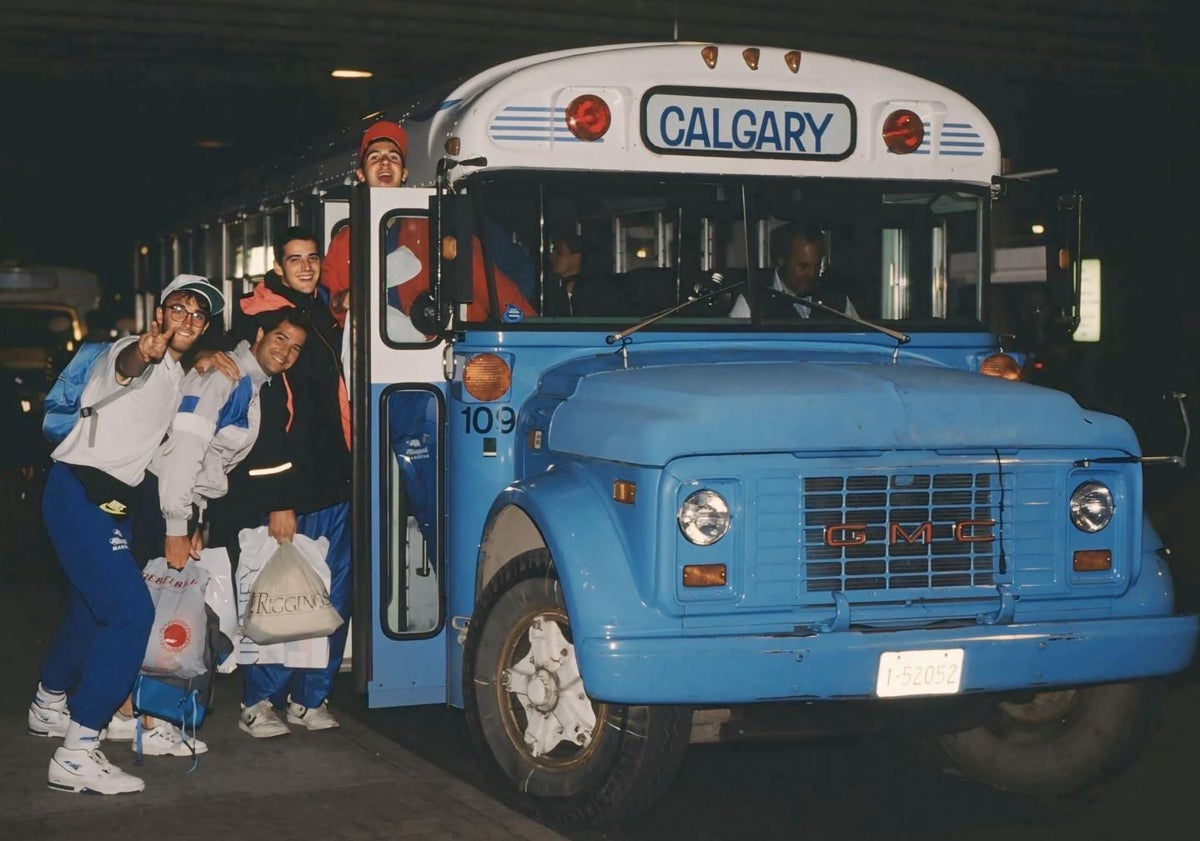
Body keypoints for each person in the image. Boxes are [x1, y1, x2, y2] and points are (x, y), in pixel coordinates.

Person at [28, 274, 224, 795]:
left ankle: (49, 702)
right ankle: (77, 751)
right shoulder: (131, 351)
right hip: (79, 490)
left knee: (92, 608)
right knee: (131, 613)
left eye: (198, 316)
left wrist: (201, 362)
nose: (186, 321)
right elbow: (126, 366)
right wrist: (145, 349)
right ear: (158, 314)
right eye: (178, 309)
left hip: (106, 502)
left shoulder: (177, 374)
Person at [102, 309, 310, 754]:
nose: (286, 352)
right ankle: (138, 719)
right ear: (258, 334)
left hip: (178, 502)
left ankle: (131, 714)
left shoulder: (249, 384)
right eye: (279, 338)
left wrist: (194, 519)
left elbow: (206, 464)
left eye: (295, 347)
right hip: (160, 499)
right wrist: (178, 524)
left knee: (154, 608)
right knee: (151, 613)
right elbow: (184, 453)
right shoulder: (225, 379)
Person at [220, 225, 352, 738]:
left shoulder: (320, 314)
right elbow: (266, 418)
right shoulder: (264, 320)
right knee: (278, 595)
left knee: (331, 596)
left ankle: (310, 698)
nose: (305, 266)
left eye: (312, 258)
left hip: (335, 477)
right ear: (277, 266)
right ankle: (258, 701)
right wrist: (279, 498)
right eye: (295, 259)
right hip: (290, 488)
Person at [320, 119, 535, 327]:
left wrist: (529, 329)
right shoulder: (344, 241)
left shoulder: (437, 228)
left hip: (428, 351)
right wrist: (345, 300)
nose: (385, 162)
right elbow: (333, 306)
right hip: (372, 355)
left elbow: (493, 288)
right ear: (360, 175)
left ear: (404, 174)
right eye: (375, 158)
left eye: (393, 158)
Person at [728, 222, 858, 319]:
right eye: (803, 266)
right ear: (781, 259)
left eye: (817, 266)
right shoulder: (752, 303)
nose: (812, 274)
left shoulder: (838, 303)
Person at [541, 226, 609, 317]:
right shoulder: (548, 292)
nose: (552, 257)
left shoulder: (599, 292)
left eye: (559, 252)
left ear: (577, 257)